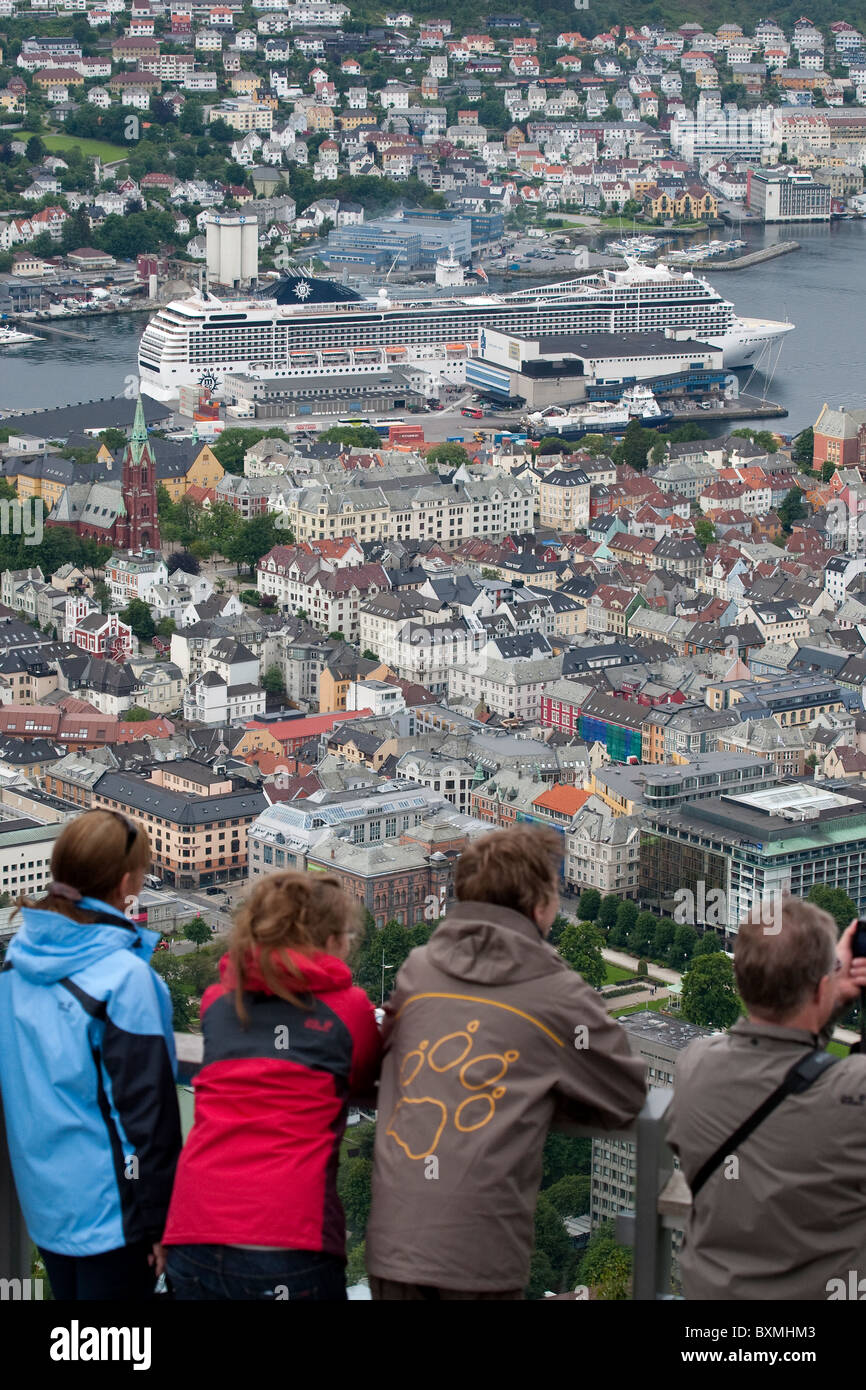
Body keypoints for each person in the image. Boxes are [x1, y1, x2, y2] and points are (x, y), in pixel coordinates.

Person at [365, 825, 647, 1300]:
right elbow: (625, 1094)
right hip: (481, 1255)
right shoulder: (554, 992)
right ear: (539, 905)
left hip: (394, 1246)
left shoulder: (418, 968)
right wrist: (532, 1100)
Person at [162, 870, 381, 1301]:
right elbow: (363, 1078)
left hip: (195, 1230)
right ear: (333, 938)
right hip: (290, 1238)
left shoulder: (219, 1001)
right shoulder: (349, 1009)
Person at [0, 809, 180, 1301]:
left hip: (44, 1203)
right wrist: (164, 1224)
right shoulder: (125, 980)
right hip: (113, 1217)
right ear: (126, 882)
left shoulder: (17, 962)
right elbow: (149, 1119)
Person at [666, 898, 866, 1300]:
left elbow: (788, 1061)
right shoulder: (850, 1093)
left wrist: (825, 996)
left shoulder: (694, 1066)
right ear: (821, 988)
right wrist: (834, 1000)